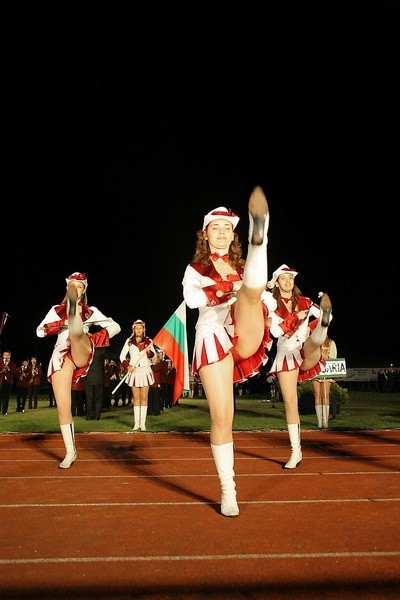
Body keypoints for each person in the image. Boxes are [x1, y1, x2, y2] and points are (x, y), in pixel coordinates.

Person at [182, 186, 275, 517]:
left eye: (227, 228)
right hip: (211, 335)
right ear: (205, 235)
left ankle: (258, 241)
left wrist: (244, 291)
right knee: (223, 417)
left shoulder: (240, 268)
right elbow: (193, 300)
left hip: (243, 329)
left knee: (252, 292)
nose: (221, 233)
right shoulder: (195, 269)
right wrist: (223, 288)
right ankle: (228, 489)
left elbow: (270, 301)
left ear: (233, 235)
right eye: (215, 228)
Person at [36, 272, 121, 468]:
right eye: (72, 286)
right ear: (67, 289)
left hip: (82, 347)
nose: (75, 289)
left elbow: (115, 326)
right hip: (61, 355)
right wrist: (62, 323)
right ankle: (70, 451)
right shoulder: (56, 310)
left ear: (83, 292)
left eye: (79, 286)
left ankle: (76, 327)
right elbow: (39, 331)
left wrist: (95, 337)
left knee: (77, 334)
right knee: (63, 406)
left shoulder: (91, 311)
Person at [267, 264, 333, 469]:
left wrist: (322, 314)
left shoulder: (304, 301)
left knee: (314, 338)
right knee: (290, 404)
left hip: (306, 350)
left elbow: (331, 318)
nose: (288, 281)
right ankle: (296, 451)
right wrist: (296, 318)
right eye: (284, 278)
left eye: (291, 278)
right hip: (286, 353)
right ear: (277, 282)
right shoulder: (271, 303)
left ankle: (319, 331)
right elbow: (276, 332)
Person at [119, 320, 156, 431]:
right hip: (134, 371)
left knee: (144, 397)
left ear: (144, 329)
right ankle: (136, 423)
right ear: (133, 329)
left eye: (141, 328)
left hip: (145, 370)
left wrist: (149, 351)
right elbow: (122, 356)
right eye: (137, 328)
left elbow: (153, 357)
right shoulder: (129, 341)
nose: (139, 330)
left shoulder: (149, 341)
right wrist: (127, 366)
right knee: (136, 398)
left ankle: (143, 424)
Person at [312, 336, 338, 428]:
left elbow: (334, 358)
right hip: (315, 370)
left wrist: (326, 359)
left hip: (327, 370)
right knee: (317, 395)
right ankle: (319, 422)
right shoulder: (313, 341)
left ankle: (325, 422)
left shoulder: (331, 342)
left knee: (326, 395)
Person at [84, 346, 106, 420]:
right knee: (98, 399)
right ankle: (97, 417)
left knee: (89, 399)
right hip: (98, 378)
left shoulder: (86, 351)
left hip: (88, 379)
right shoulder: (100, 351)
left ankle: (88, 416)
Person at [0, 350, 18, 415]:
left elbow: (15, 373)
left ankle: (4, 411)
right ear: (3, 355)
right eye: (5, 355)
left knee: (6, 396)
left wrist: (9, 369)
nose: (6, 356)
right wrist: (1, 371)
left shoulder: (13, 363)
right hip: (1, 381)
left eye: (8, 355)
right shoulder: (0, 361)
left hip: (8, 382)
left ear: (10, 356)